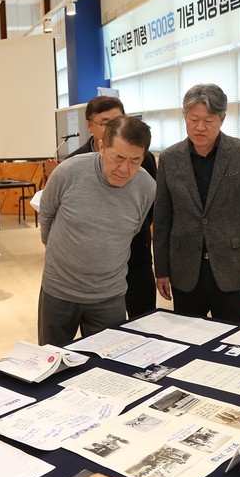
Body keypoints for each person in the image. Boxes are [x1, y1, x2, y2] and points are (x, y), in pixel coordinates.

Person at [38, 115, 156, 346]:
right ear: (102, 146)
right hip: (59, 291)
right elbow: (47, 215)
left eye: (135, 160)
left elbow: (132, 230)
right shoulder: (69, 172)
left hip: (109, 295)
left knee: (107, 362)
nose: (124, 169)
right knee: (52, 359)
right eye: (118, 157)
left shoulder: (146, 187)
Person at [154, 84, 240, 322]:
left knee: (231, 337)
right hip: (185, 268)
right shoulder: (169, 159)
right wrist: (161, 270)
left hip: (231, 268)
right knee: (186, 336)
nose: (200, 127)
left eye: (208, 120)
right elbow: (162, 219)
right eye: (194, 119)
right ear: (185, 117)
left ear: (222, 119)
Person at [67, 95, 159, 318]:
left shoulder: (143, 158)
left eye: (119, 120)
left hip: (136, 258)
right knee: (100, 329)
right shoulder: (74, 162)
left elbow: (152, 206)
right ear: (89, 126)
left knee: (143, 321)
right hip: (92, 269)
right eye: (106, 123)